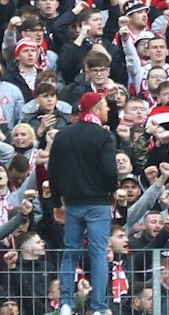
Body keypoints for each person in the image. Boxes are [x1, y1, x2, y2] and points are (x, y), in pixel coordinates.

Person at [51, 93, 119, 315]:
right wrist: (112, 189)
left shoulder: (63, 135)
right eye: (105, 106)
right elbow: (110, 171)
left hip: (72, 204)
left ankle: (65, 303)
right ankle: (98, 307)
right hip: (98, 203)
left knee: (70, 252)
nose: (108, 110)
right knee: (98, 253)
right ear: (96, 109)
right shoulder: (103, 136)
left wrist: (56, 202)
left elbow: (53, 171)